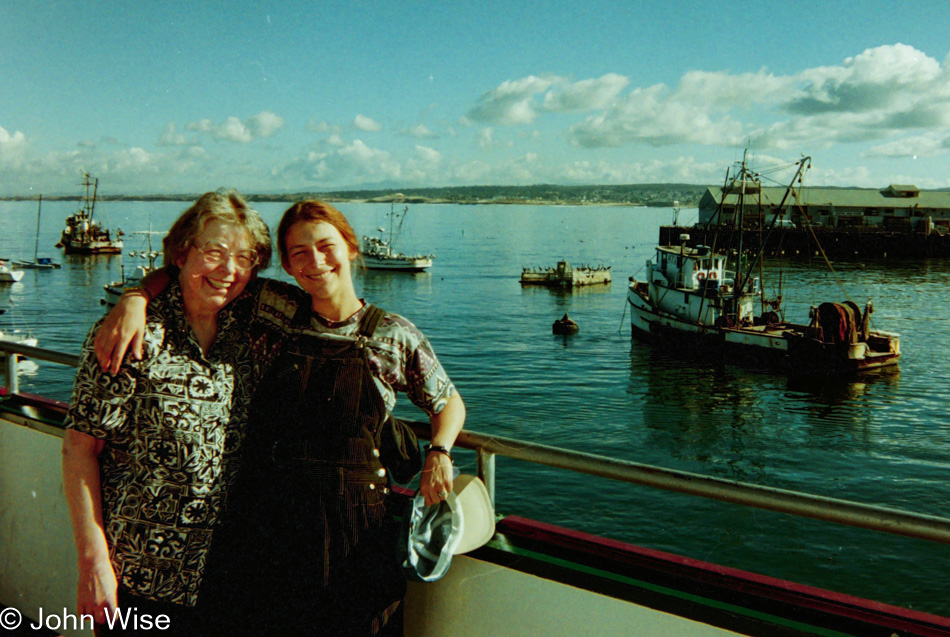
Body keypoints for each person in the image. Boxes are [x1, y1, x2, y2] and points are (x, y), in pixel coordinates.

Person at [95, 199, 465, 635]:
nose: (316, 261)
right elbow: (188, 273)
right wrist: (135, 298)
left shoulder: (392, 334)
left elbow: (448, 403)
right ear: (287, 267)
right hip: (273, 524)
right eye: (299, 253)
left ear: (350, 248)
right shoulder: (274, 310)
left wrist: (438, 452)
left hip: (357, 527)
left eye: (326, 246)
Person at [62, 190, 276, 634]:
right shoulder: (132, 337)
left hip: (227, 572)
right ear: (181, 254)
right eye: (213, 251)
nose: (228, 269)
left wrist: (137, 290)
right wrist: (93, 561)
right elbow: (79, 449)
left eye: (243, 256)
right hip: (142, 575)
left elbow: (330, 301)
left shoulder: (249, 325)